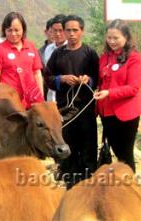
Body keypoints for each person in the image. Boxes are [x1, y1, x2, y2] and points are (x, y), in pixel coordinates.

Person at [45, 15, 99, 189]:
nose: (71, 34)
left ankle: (89, 183)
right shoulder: (57, 54)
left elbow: (98, 78)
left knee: (88, 145)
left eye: (75, 30)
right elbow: (48, 78)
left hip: (85, 109)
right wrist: (61, 79)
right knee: (68, 146)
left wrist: (88, 80)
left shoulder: (90, 53)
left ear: (82, 31)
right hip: (65, 110)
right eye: (68, 30)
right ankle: (70, 185)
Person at [94, 19, 141, 172]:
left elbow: (133, 88)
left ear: (126, 37)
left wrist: (109, 93)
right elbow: (101, 81)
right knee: (116, 152)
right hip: (107, 113)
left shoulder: (134, 57)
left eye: (116, 38)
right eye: (109, 37)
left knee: (125, 155)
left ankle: (130, 187)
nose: (112, 41)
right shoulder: (105, 57)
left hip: (126, 114)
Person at [0, 12, 44, 109]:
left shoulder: (31, 46)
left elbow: (37, 74)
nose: (13, 34)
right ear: (4, 31)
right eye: (9, 30)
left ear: (23, 29)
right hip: (9, 103)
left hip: (33, 101)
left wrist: (41, 98)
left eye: (17, 30)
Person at [43, 14, 67, 102]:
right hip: (50, 98)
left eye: (61, 30)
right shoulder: (48, 49)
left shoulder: (71, 49)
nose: (58, 34)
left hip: (66, 98)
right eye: (55, 30)